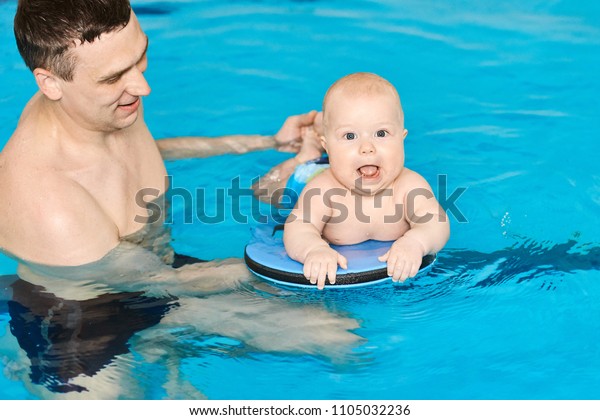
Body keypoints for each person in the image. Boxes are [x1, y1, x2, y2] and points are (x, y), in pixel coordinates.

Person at [0, 0, 361, 379]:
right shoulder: (48, 200)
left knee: (340, 332)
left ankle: (164, 346)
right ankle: (25, 360)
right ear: (50, 83)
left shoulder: (93, 103)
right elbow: (152, 283)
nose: (143, 85)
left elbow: (143, 151)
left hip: (153, 270)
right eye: (114, 77)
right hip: (87, 312)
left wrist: (267, 143)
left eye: (140, 56)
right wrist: (301, 256)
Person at [283, 72, 450, 289]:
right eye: (350, 136)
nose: (367, 147)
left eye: (381, 133)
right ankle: (306, 151)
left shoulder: (409, 186)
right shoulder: (322, 190)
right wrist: (313, 249)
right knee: (273, 190)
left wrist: (416, 242)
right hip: (306, 176)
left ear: (402, 138)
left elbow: (436, 223)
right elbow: (298, 227)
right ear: (328, 146)